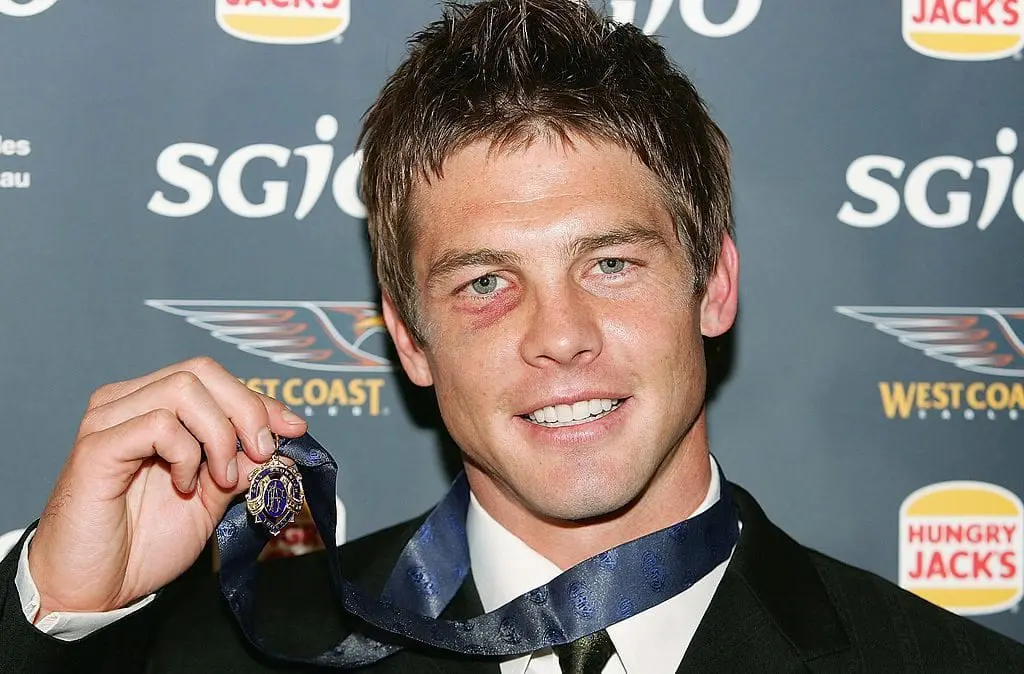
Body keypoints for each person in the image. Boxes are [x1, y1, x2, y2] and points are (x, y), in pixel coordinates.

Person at [2, 1, 1023, 672]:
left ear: (712, 286)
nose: (561, 336)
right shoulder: (242, 652)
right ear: (409, 339)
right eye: (486, 281)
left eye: (610, 264)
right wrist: (58, 609)